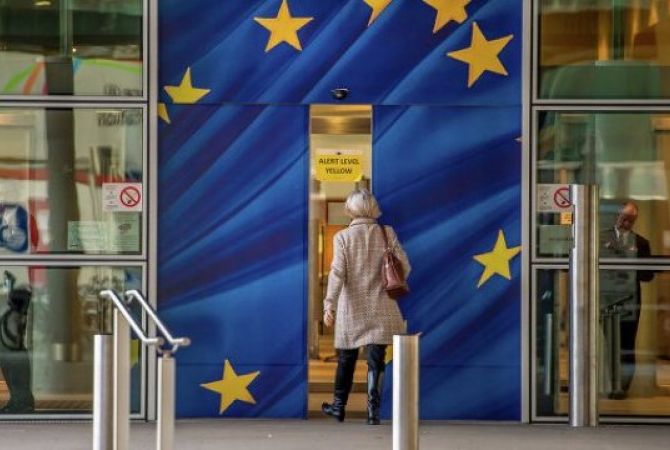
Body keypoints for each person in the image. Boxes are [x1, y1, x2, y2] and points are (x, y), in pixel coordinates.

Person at [321, 189, 410, 425]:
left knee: (346, 357)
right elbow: (405, 266)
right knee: (376, 359)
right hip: (382, 306)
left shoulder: (342, 237)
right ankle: (373, 412)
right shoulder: (386, 232)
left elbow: (337, 274)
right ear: (373, 208)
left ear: (350, 210)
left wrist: (329, 305)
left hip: (352, 307)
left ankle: (338, 407)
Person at [600, 201, 654, 399]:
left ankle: (622, 387)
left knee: (628, 345)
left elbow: (648, 275)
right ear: (617, 215)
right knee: (610, 344)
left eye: (631, 219)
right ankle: (612, 384)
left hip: (630, 300)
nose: (627, 223)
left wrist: (629, 271)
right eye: (624, 218)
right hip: (606, 299)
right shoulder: (600, 237)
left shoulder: (641, 243)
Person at [0, 271, 34, 413]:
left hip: (10, 355)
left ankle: (19, 404)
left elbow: (12, 338)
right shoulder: (16, 315)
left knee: (16, 382)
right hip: (13, 355)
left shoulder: (11, 315)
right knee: (18, 382)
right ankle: (19, 403)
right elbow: (15, 338)